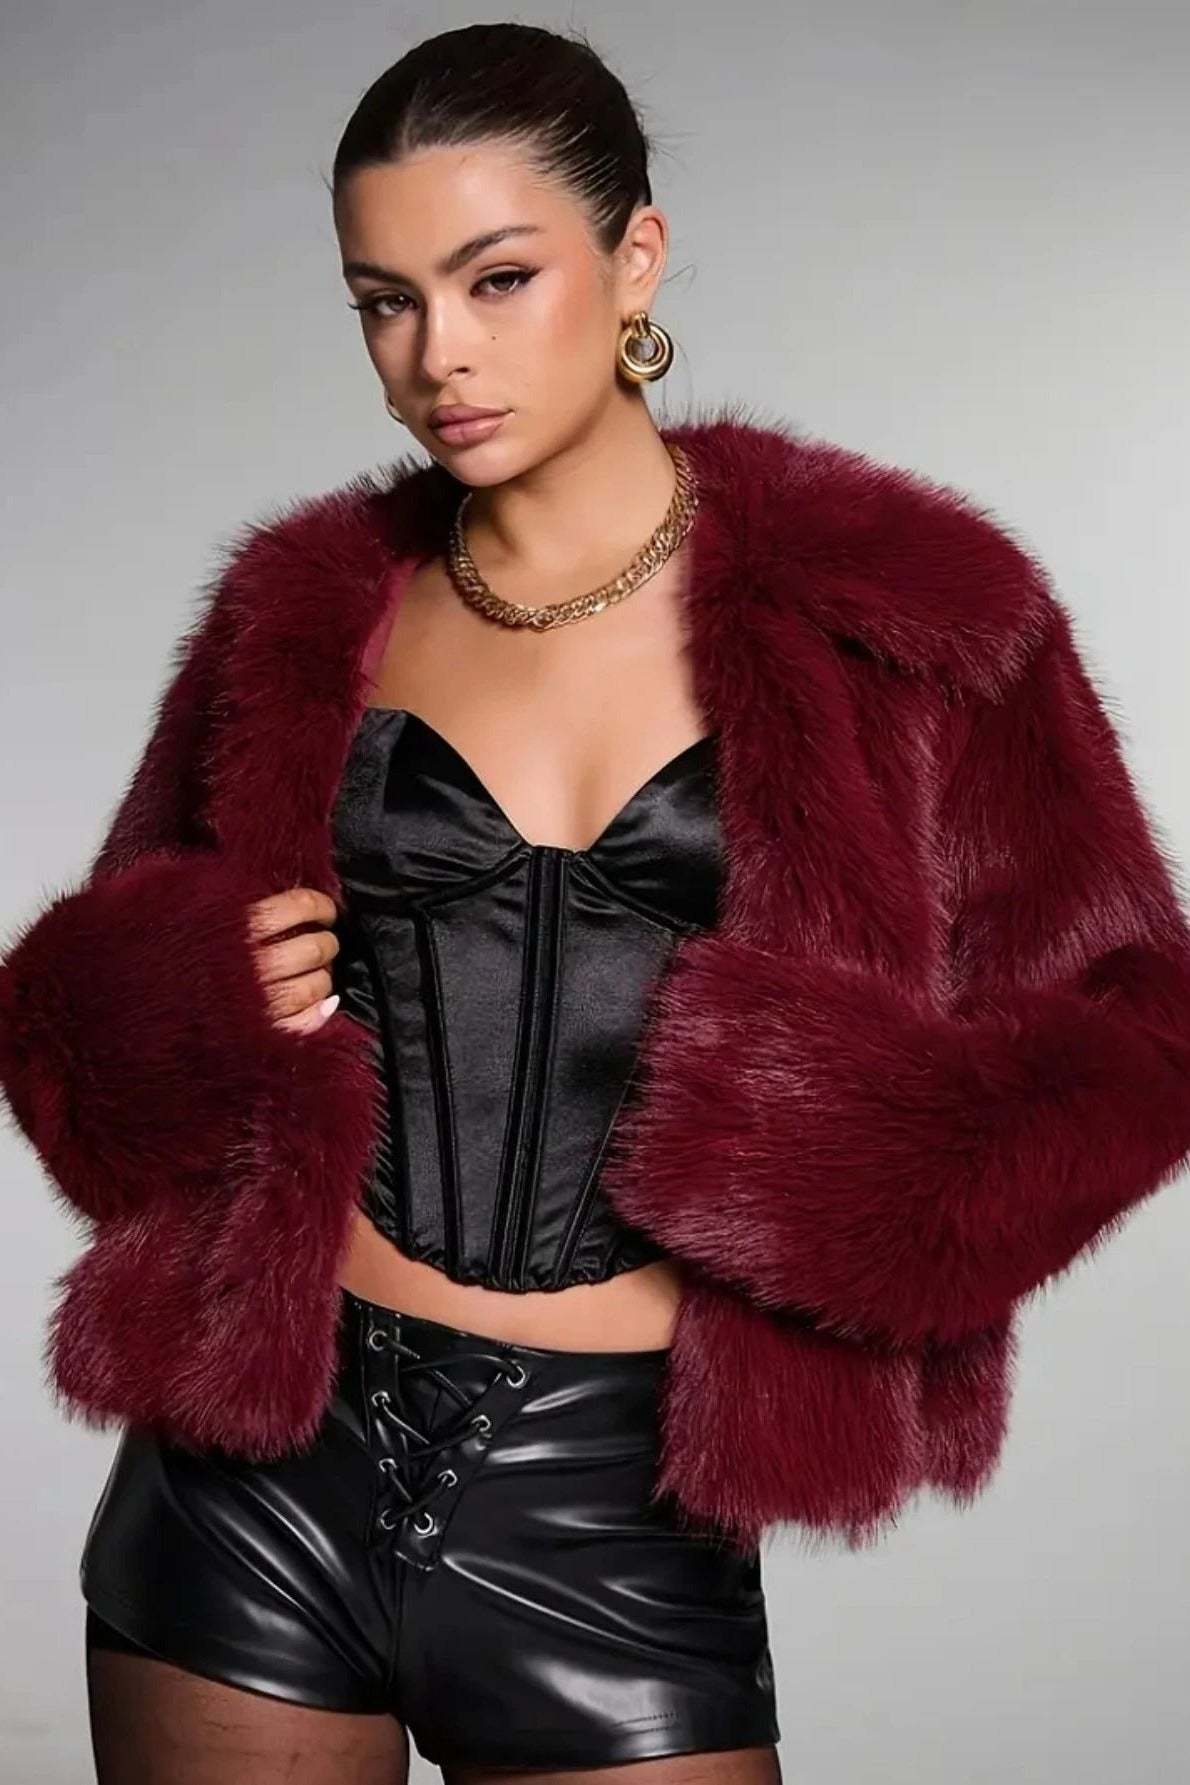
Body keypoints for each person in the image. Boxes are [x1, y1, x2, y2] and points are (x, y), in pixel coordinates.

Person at [4, 20, 1190, 1785]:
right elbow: (77, 1023)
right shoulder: (302, 610)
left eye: (497, 279)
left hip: (615, 1512)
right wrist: (174, 1003)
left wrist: (851, 1154)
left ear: (634, 258)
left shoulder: (907, 614)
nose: (439, 355)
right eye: (385, 301)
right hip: (254, 1475)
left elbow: (1140, 1022)